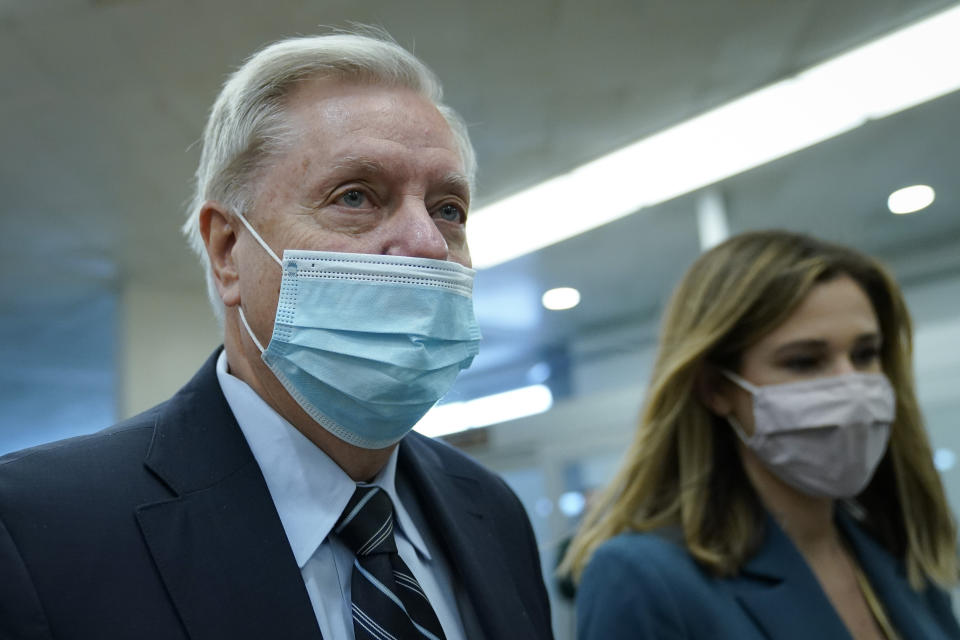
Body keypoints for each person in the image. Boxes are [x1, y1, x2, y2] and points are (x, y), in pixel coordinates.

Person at [0, 33, 553, 640]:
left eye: (449, 209)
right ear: (228, 251)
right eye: (356, 196)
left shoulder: (493, 512)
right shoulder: (38, 528)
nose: (426, 243)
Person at [564, 230, 960, 639]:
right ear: (716, 388)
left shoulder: (899, 554)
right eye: (805, 361)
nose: (853, 389)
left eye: (865, 354)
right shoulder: (645, 579)